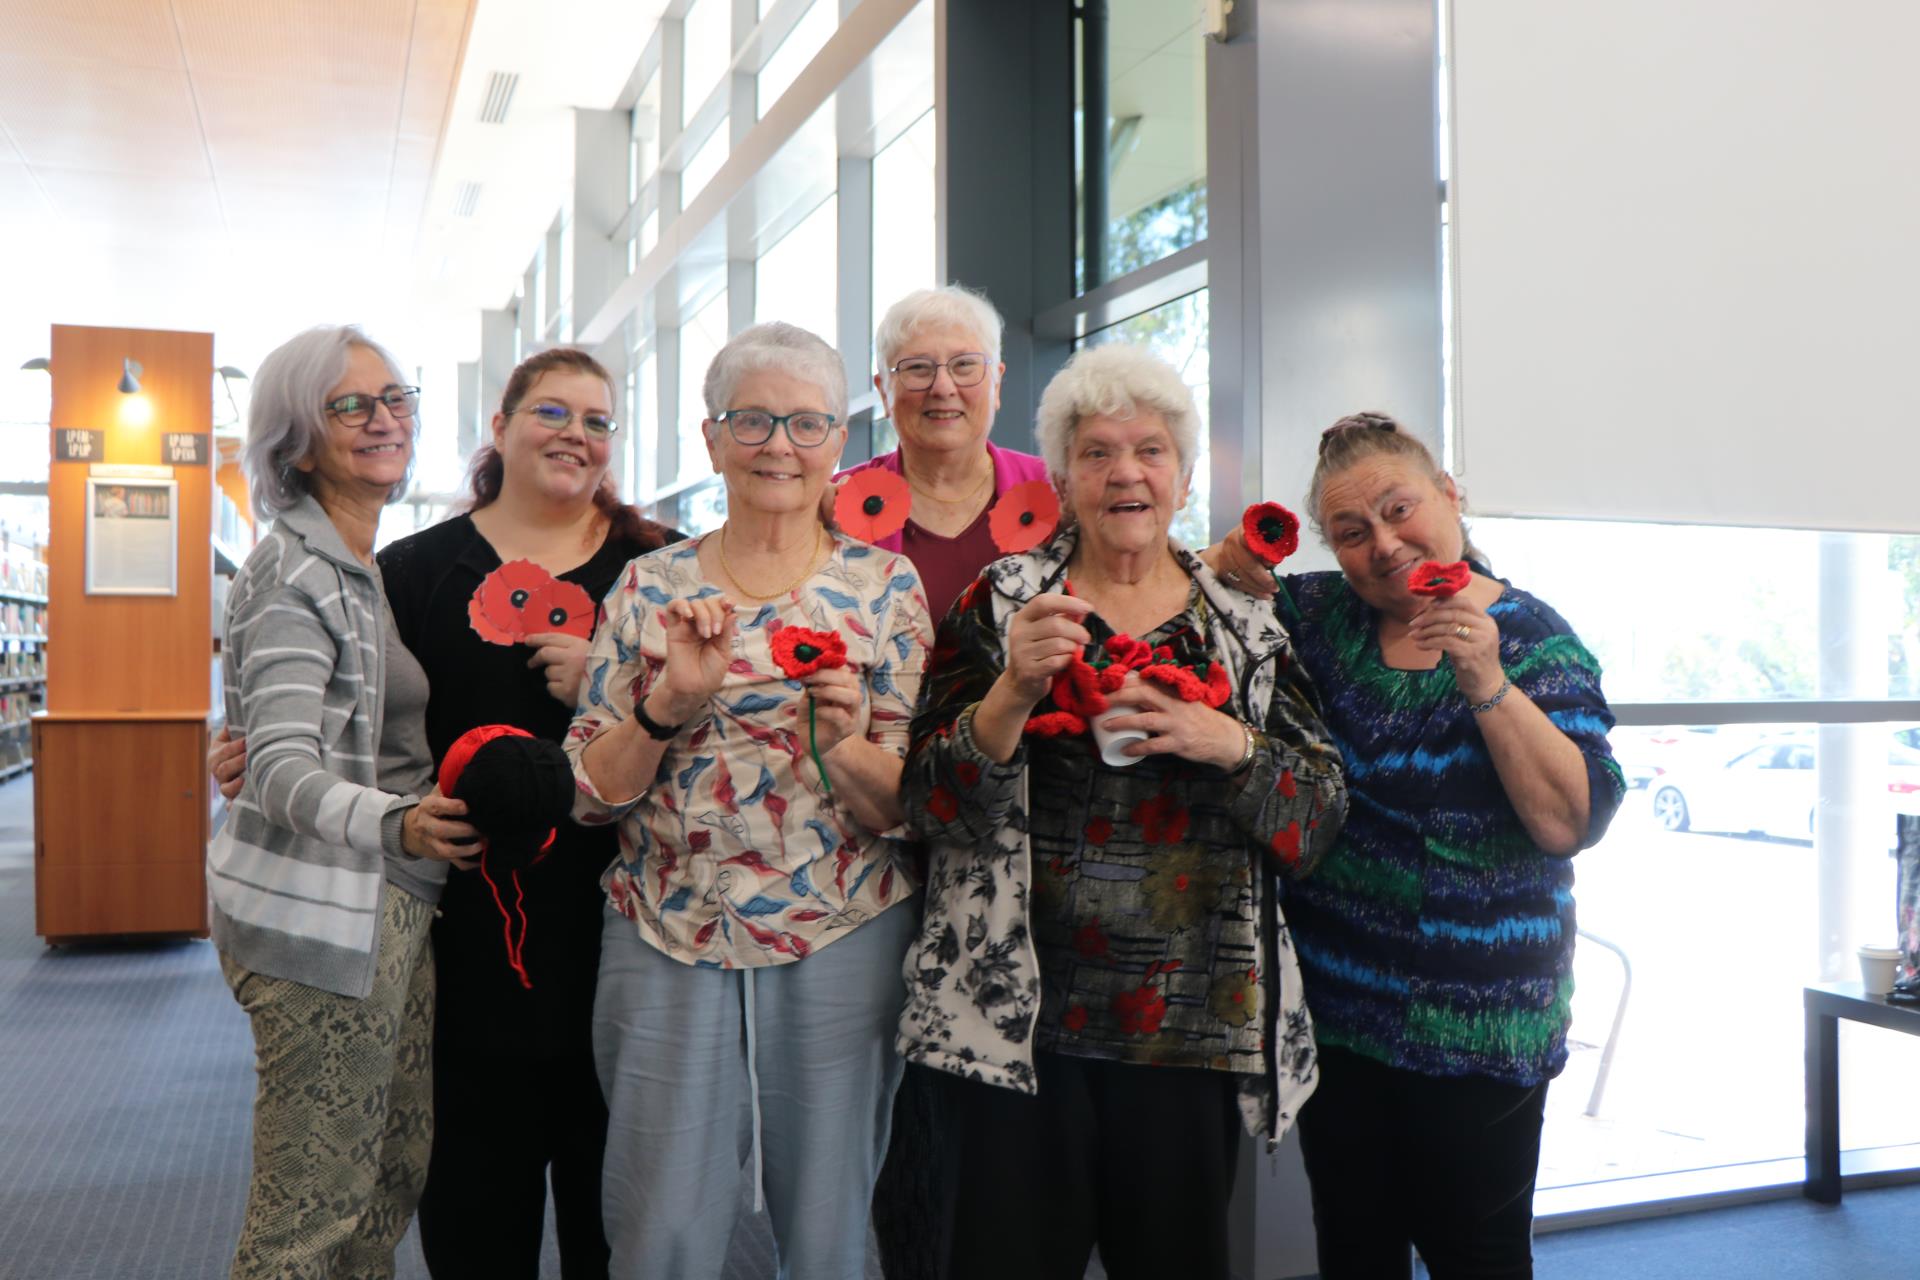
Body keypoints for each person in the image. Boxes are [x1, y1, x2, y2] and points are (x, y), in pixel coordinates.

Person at [213, 347, 680, 1278]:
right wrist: (254, 753)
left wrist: (612, 678)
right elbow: (338, 724)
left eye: (598, 420)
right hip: (446, 928)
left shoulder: (658, 568)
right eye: (552, 412)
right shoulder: (405, 570)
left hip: (628, 928)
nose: (576, 436)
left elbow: (719, 727)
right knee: (459, 1195)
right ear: (499, 427)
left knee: (615, 1205)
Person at [846, 285, 1282, 1278]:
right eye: (1097, 452)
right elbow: (934, 802)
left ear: (1181, 472)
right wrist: (1009, 689)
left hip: (1185, 1025)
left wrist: (1231, 743)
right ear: (1063, 476)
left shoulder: (1247, 625)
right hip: (1016, 1025)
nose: (1125, 470)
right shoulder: (1001, 598)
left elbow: (1319, 811)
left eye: (1150, 450)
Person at [566, 321, 931, 1278]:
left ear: (839, 445)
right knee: (659, 1225)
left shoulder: (884, 586)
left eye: (807, 423)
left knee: (829, 1222)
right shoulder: (648, 588)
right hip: (665, 930)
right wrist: (667, 704)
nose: (780, 445)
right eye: (754, 420)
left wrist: (842, 741)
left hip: (843, 928)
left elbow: (911, 806)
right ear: (712, 438)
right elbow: (591, 795)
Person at [1274, 412, 1626, 1279]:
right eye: (1353, 532)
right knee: (1354, 1249)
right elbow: (1193, 590)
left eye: (1401, 510)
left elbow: (1569, 821)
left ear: (1450, 496)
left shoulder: (1536, 638)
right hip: (1341, 1015)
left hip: (1480, 1023)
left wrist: (1486, 680)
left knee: (1477, 1257)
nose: (1386, 545)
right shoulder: (1322, 617)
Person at [206, 325, 476, 1279]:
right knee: (308, 1219)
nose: (383, 419)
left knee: (383, 1183)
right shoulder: (297, 571)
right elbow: (278, 766)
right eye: (350, 405)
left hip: (388, 904)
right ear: (297, 441)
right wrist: (396, 819)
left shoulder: (360, 568)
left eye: (396, 398)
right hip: (322, 916)